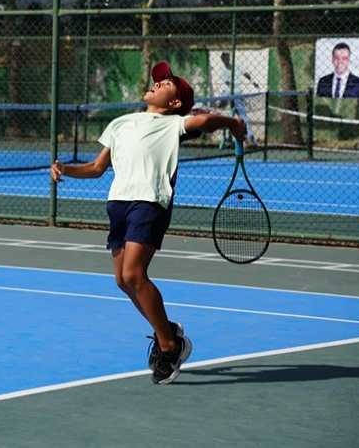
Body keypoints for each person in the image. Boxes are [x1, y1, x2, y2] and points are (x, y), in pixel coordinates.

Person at [50, 61, 246, 385]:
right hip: (118, 203)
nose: (157, 83)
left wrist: (233, 123)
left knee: (133, 274)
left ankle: (169, 346)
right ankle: (167, 331)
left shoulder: (175, 124)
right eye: (158, 80)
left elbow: (206, 120)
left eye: (166, 84)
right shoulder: (121, 123)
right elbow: (97, 168)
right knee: (122, 280)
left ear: (175, 102)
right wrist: (65, 169)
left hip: (150, 202)